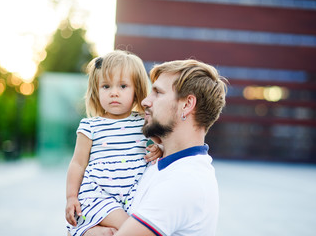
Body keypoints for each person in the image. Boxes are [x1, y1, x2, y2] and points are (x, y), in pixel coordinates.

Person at [86, 58, 228, 236]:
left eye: (157, 93)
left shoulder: (184, 181)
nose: (145, 101)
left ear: (186, 105)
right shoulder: (158, 163)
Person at [65, 50, 161, 236]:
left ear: (136, 91)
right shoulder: (90, 126)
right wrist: (71, 197)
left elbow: (163, 144)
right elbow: (78, 163)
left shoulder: (144, 121)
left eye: (123, 86)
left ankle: (90, 232)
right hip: (97, 194)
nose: (114, 93)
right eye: (106, 86)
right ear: (96, 89)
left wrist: (158, 149)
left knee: (115, 232)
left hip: (132, 195)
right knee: (133, 229)